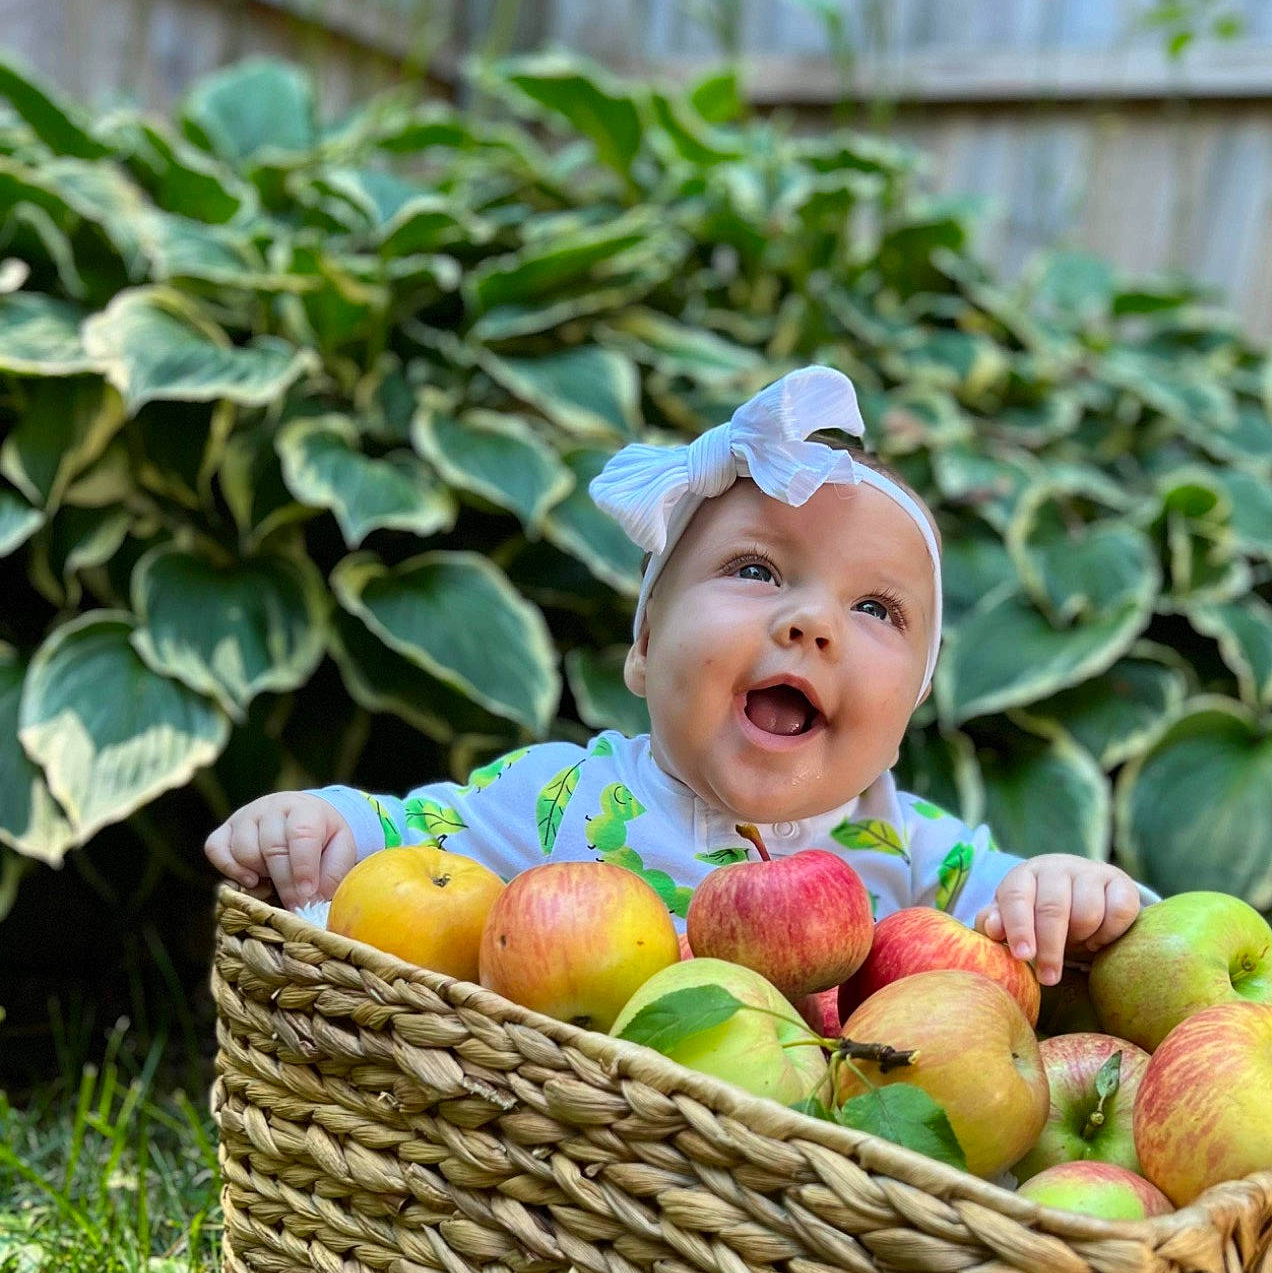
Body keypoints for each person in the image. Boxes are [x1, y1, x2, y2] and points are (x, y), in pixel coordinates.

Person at [204, 365, 1146, 989]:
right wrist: (324, 823)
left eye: (876, 611)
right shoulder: (558, 803)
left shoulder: (911, 854)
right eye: (757, 572)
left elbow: (1053, 923)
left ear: (909, 708)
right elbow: (410, 847)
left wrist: (1067, 892)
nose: (811, 622)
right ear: (646, 646)